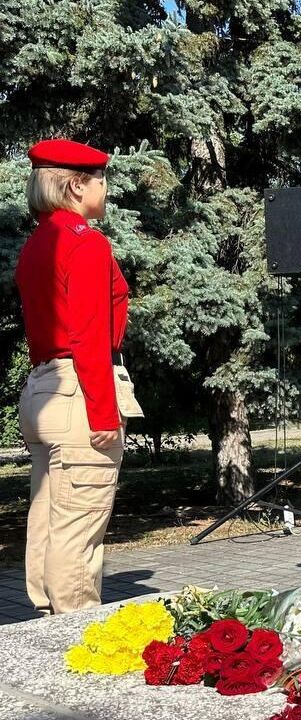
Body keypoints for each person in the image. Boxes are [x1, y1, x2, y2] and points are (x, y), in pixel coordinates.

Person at [17, 139, 145, 615]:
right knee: (79, 526)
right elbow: (89, 334)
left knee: (49, 518)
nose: (105, 189)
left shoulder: (38, 242)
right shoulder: (84, 241)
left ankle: (44, 624)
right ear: (75, 186)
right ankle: (75, 631)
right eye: (99, 181)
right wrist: (102, 412)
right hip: (79, 390)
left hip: (44, 387)